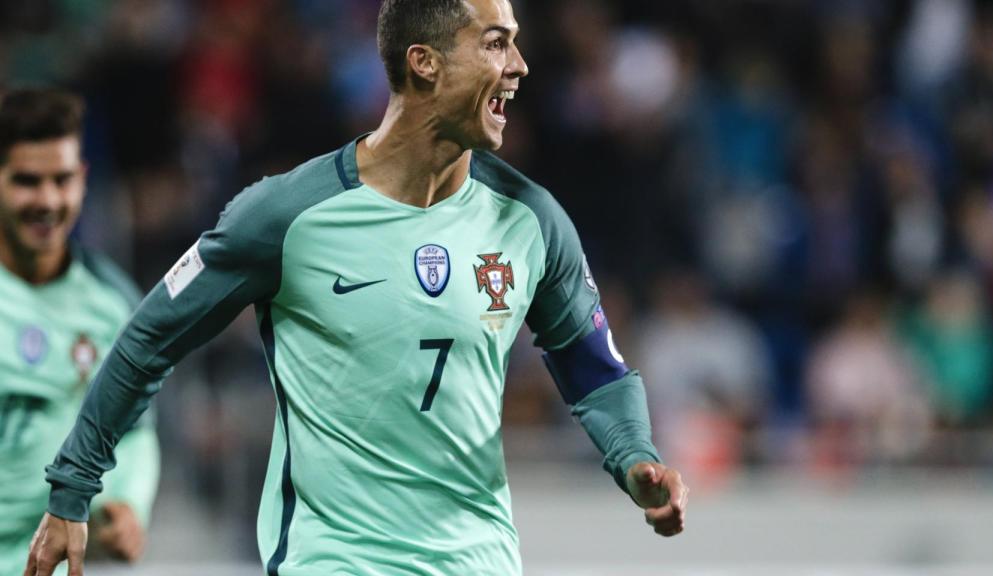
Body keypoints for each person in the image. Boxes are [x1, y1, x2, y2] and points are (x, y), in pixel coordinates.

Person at [27, 0, 687, 574]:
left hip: (478, 560)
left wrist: (633, 457)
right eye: (494, 43)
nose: (518, 66)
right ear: (424, 63)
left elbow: (594, 367)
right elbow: (149, 337)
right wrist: (73, 488)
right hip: (335, 558)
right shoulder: (287, 215)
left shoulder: (530, 219)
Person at [0, 88, 159, 575]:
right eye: (27, 181)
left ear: (83, 180)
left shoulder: (112, 303)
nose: (47, 200)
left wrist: (128, 503)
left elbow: (135, 429)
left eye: (62, 180)